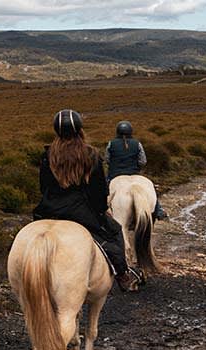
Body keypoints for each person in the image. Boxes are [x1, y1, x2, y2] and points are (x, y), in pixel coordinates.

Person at [32, 109, 142, 292]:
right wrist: (102, 209)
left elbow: (43, 188)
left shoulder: (48, 154)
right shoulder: (90, 155)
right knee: (114, 232)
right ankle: (123, 274)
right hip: (80, 212)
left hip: (48, 210)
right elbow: (98, 192)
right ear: (80, 130)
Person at [105, 120, 168, 220]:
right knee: (150, 187)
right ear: (131, 131)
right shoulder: (137, 143)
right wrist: (136, 167)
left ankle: (99, 212)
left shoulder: (111, 144)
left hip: (114, 174)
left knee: (103, 190)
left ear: (117, 131)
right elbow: (143, 161)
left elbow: (107, 159)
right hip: (134, 173)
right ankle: (158, 210)